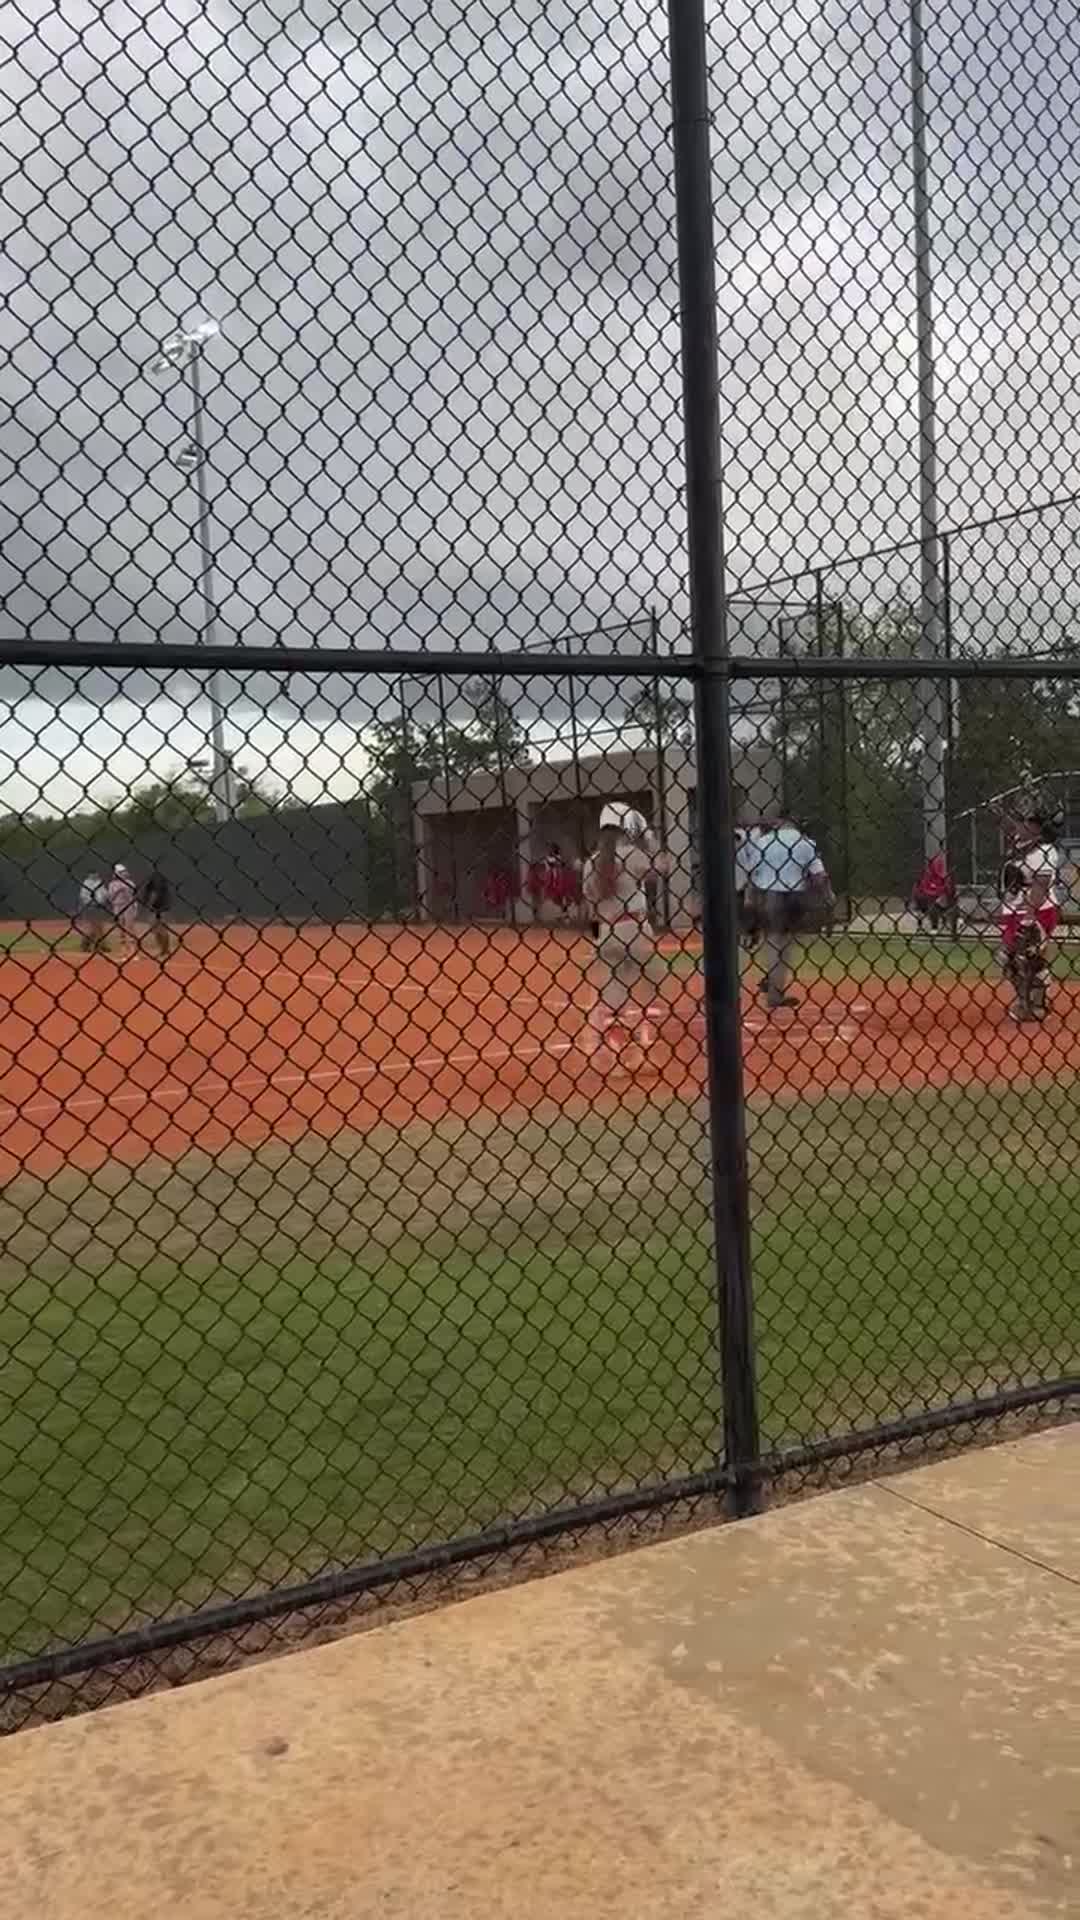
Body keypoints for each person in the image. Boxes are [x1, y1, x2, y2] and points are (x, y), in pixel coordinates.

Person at [580, 804, 672, 1061]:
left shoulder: (591, 863)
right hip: (635, 930)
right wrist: (649, 836)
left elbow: (591, 909)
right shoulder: (632, 854)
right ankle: (639, 1045)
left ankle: (612, 1049)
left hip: (606, 931)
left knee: (614, 995)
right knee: (649, 986)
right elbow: (664, 866)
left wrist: (597, 939)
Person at [736, 817, 832, 1010]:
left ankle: (769, 980)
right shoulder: (804, 842)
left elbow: (751, 873)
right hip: (793, 895)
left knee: (772, 941)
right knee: (784, 944)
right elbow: (820, 876)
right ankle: (775, 988)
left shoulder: (763, 842)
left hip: (765, 893)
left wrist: (749, 899)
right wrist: (828, 896)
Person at [999, 811, 1061, 1023]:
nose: (1021, 825)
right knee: (1007, 958)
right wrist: (997, 811)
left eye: (1028, 822)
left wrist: (1029, 918)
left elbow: (1040, 886)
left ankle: (1038, 1005)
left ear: (1037, 828)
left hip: (1038, 910)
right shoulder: (1019, 844)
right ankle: (1023, 1001)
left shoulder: (1044, 851)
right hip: (1011, 909)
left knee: (1031, 957)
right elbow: (1009, 824)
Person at [911, 851, 955, 930]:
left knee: (937, 904)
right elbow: (921, 890)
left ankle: (942, 925)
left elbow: (948, 891)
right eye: (935, 865)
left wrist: (939, 895)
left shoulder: (945, 877)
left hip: (941, 902)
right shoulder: (927, 876)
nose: (937, 867)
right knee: (930, 904)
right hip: (927, 901)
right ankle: (932, 927)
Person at [139, 869, 174, 959]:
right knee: (155, 930)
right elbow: (147, 894)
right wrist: (147, 903)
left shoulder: (161, 884)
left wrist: (149, 903)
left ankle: (166, 950)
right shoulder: (150, 883)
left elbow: (155, 895)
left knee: (162, 930)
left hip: (162, 909)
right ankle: (163, 950)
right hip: (154, 910)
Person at [107, 862, 138, 956]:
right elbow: (110, 898)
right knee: (120, 928)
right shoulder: (112, 884)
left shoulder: (130, 883)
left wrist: (135, 907)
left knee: (130, 927)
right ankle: (123, 950)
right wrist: (118, 890)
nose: (124, 873)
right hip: (117, 906)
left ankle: (133, 951)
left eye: (124, 871)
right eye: (121, 872)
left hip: (128, 906)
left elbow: (133, 896)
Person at [75, 872, 111, 952]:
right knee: (92, 928)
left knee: (100, 927)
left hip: (100, 907)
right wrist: (90, 902)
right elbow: (83, 896)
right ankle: (85, 945)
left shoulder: (99, 883)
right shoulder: (86, 883)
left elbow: (104, 893)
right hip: (90, 907)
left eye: (96, 874)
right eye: (93, 874)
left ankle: (102, 945)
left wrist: (106, 899)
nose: (95, 876)